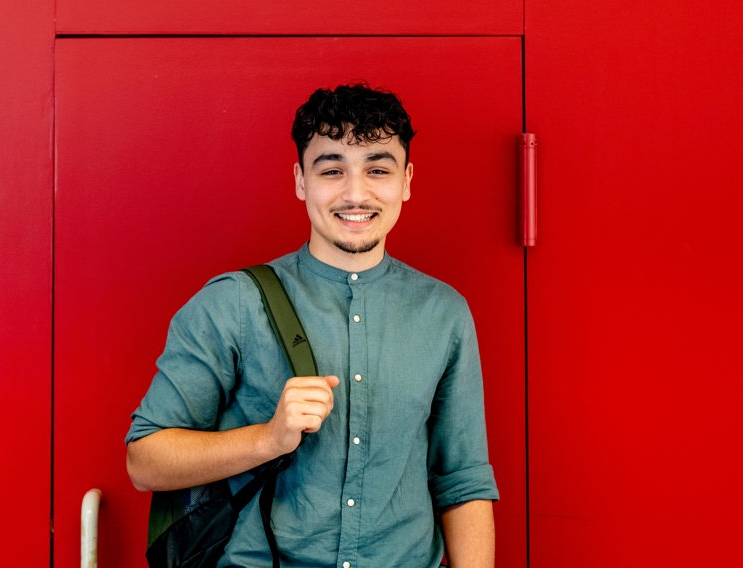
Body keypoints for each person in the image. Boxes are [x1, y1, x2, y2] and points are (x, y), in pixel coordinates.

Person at [126, 83, 499, 567]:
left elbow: (462, 480)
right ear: (301, 180)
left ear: (406, 180)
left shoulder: (444, 313)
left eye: (378, 169)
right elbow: (145, 461)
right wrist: (268, 438)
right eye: (332, 170)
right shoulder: (232, 303)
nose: (356, 193)